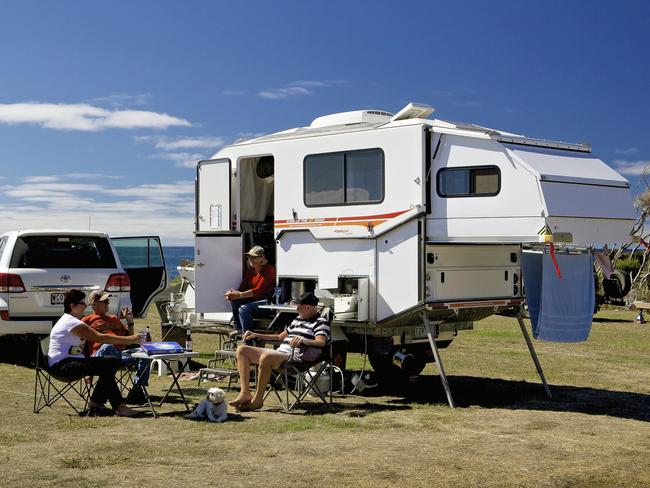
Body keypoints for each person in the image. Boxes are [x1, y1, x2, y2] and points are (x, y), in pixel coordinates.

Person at [229, 292, 330, 412]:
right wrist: (256, 334)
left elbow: (321, 342)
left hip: (296, 356)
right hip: (280, 353)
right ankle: (245, 393)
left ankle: (257, 401)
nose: (296, 309)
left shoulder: (320, 322)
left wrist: (304, 341)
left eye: (298, 306)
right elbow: (279, 337)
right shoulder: (297, 319)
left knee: (267, 356)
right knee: (242, 350)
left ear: (307, 307)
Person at [47, 289, 142, 417]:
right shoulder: (72, 322)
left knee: (109, 364)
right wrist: (129, 340)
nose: (85, 305)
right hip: (62, 366)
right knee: (110, 362)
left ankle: (99, 403)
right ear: (72, 306)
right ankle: (113, 405)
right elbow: (100, 338)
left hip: (64, 363)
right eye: (82, 303)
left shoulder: (69, 320)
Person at [82, 290, 151, 405]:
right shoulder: (87, 320)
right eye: (104, 301)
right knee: (108, 346)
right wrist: (86, 371)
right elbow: (80, 343)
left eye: (108, 301)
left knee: (145, 352)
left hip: (120, 355)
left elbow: (129, 340)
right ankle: (109, 393)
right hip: (100, 356)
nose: (107, 303)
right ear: (94, 304)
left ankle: (137, 390)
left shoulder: (114, 319)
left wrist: (130, 322)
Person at [224, 245, 276, 342]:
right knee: (235, 301)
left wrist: (238, 295)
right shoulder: (251, 271)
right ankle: (238, 329)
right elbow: (243, 287)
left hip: (268, 303)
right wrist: (234, 294)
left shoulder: (269, 270)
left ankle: (248, 339)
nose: (250, 259)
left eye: (254, 257)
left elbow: (258, 290)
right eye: (249, 257)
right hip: (254, 301)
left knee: (244, 309)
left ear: (262, 258)